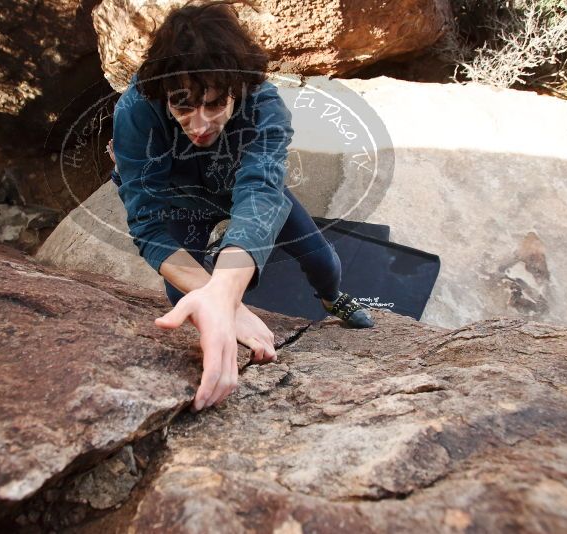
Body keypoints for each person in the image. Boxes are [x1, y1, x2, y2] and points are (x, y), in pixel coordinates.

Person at [108, 0, 374, 412]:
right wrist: (228, 305)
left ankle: (331, 297)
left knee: (323, 260)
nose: (199, 125)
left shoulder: (264, 105)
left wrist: (224, 292)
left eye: (214, 104)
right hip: (180, 199)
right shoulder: (135, 111)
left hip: (239, 183)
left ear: (238, 87)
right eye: (182, 107)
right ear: (164, 95)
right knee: (175, 290)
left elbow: (260, 197)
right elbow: (148, 222)